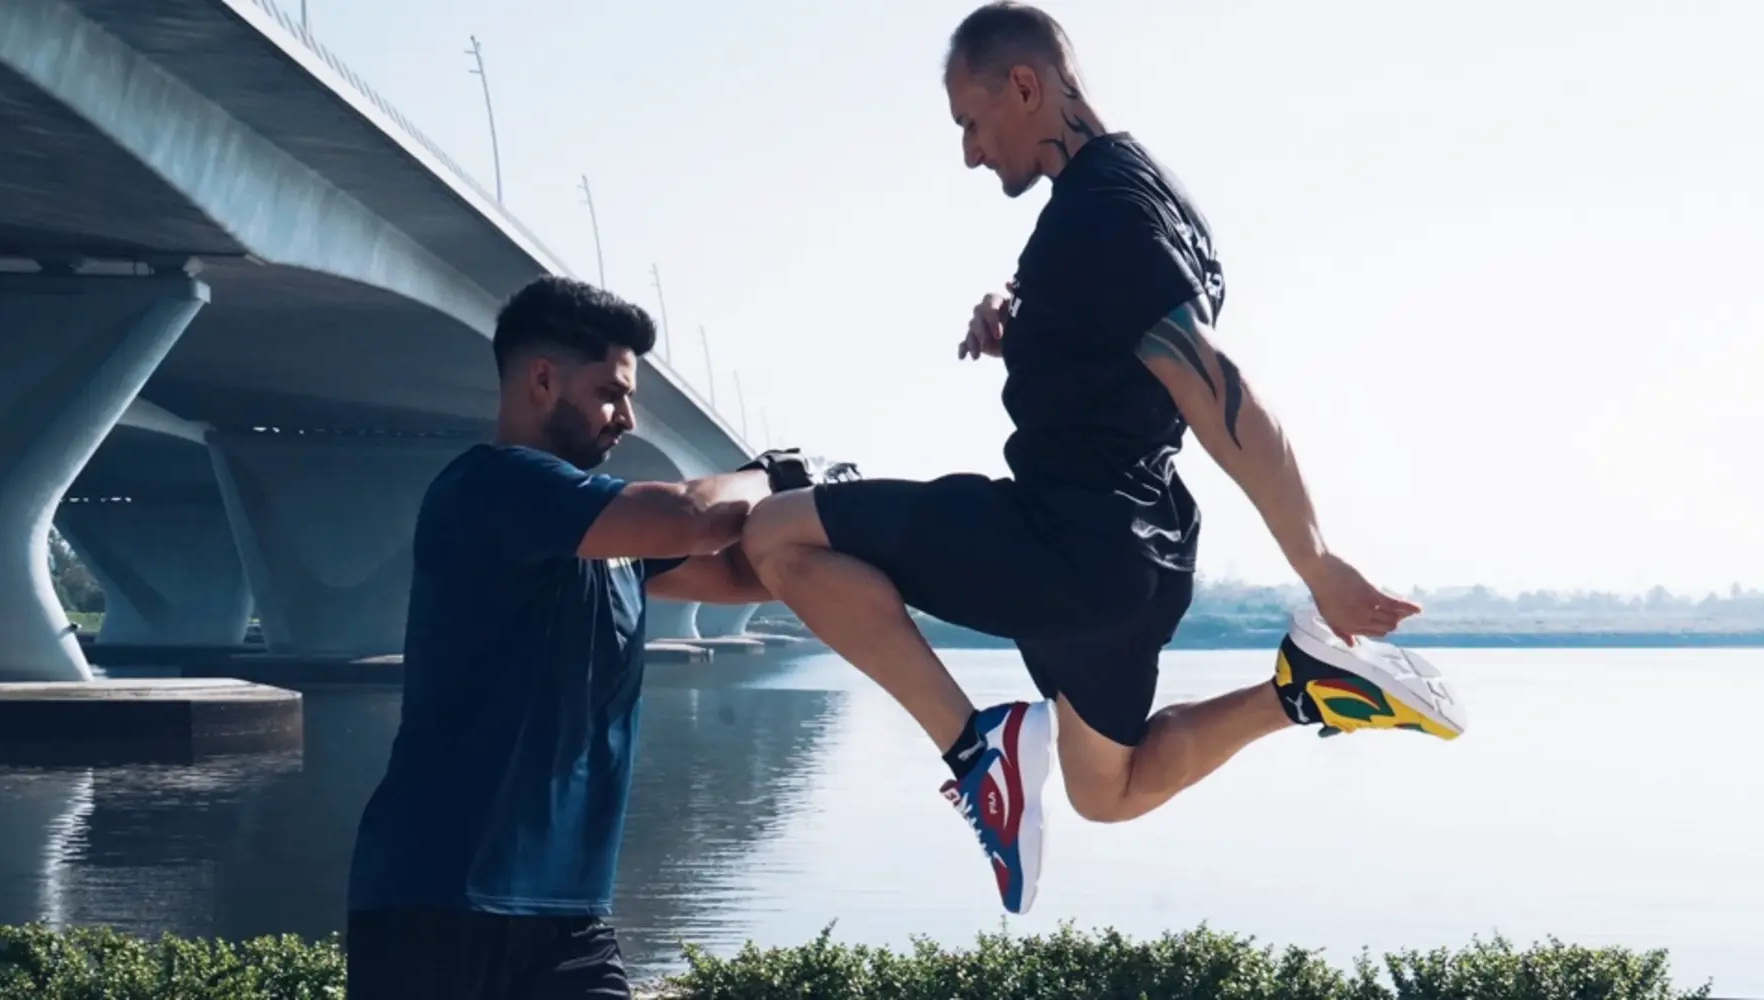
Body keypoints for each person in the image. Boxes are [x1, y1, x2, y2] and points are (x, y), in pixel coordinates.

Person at [739, 1, 1468, 916]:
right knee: (1107, 791)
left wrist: (1316, 560)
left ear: (1024, 85)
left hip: (1063, 535)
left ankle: (976, 752)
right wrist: (1025, 316)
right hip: (1142, 549)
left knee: (776, 534)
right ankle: (1304, 692)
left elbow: (1216, 388)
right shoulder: (1147, 197)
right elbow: (1118, 341)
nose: (968, 152)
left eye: (970, 122)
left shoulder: (1102, 217)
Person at [342, 275, 855, 998]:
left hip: (572, 916)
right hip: (439, 897)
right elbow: (690, 516)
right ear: (543, 379)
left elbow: (746, 577)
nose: (627, 420)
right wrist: (772, 475)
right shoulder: (490, 488)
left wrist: (839, 519)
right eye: (612, 394)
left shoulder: (607, 544)